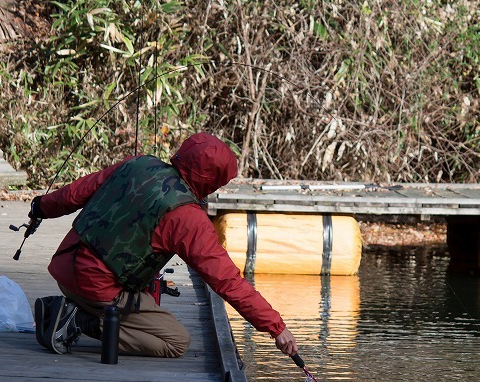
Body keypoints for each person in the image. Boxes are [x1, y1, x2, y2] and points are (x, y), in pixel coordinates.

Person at [29, 132, 298, 360]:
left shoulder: (138, 163)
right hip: (95, 289)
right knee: (175, 341)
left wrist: (40, 206)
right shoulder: (188, 218)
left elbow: (75, 193)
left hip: (63, 266)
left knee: (143, 293)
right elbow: (227, 281)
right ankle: (73, 320)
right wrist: (275, 326)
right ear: (211, 179)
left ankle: (74, 309)